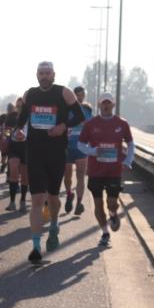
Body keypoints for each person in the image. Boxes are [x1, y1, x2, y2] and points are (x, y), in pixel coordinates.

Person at [13, 61, 86, 264]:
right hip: (34, 152)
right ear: (37, 75)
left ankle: (54, 224)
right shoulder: (30, 94)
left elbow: (80, 116)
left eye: (48, 73)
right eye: (41, 73)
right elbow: (22, 118)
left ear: (53, 75)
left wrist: (63, 126)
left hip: (56, 152)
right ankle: (36, 247)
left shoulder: (64, 93)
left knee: (53, 197)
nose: (44, 76)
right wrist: (18, 130)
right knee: (37, 200)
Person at [77, 93, 135, 247]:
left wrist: (128, 160)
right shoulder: (90, 124)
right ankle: (105, 233)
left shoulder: (122, 124)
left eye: (109, 103)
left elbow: (130, 144)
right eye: (103, 103)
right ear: (99, 105)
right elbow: (80, 144)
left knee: (112, 202)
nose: (106, 106)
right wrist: (93, 151)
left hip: (114, 170)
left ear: (113, 105)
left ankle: (113, 214)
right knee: (98, 204)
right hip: (96, 170)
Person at [63, 86, 93, 215]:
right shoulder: (66, 109)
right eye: (78, 95)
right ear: (73, 96)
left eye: (82, 95)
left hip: (81, 147)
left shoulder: (87, 110)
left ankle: (79, 203)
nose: (80, 97)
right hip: (67, 146)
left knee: (80, 176)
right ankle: (69, 194)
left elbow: (91, 128)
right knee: (67, 176)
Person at [4, 99, 29, 212]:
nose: (19, 108)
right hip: (14, 147)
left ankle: (23, 200)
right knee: (13, 170)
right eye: (17, 106)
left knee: (24, 177)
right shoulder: (11, 117)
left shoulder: (30, 117)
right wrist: (11, 133)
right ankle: (12, 202)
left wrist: (25, 136)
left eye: (21, 106)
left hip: (26, 147)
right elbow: (6, 132)